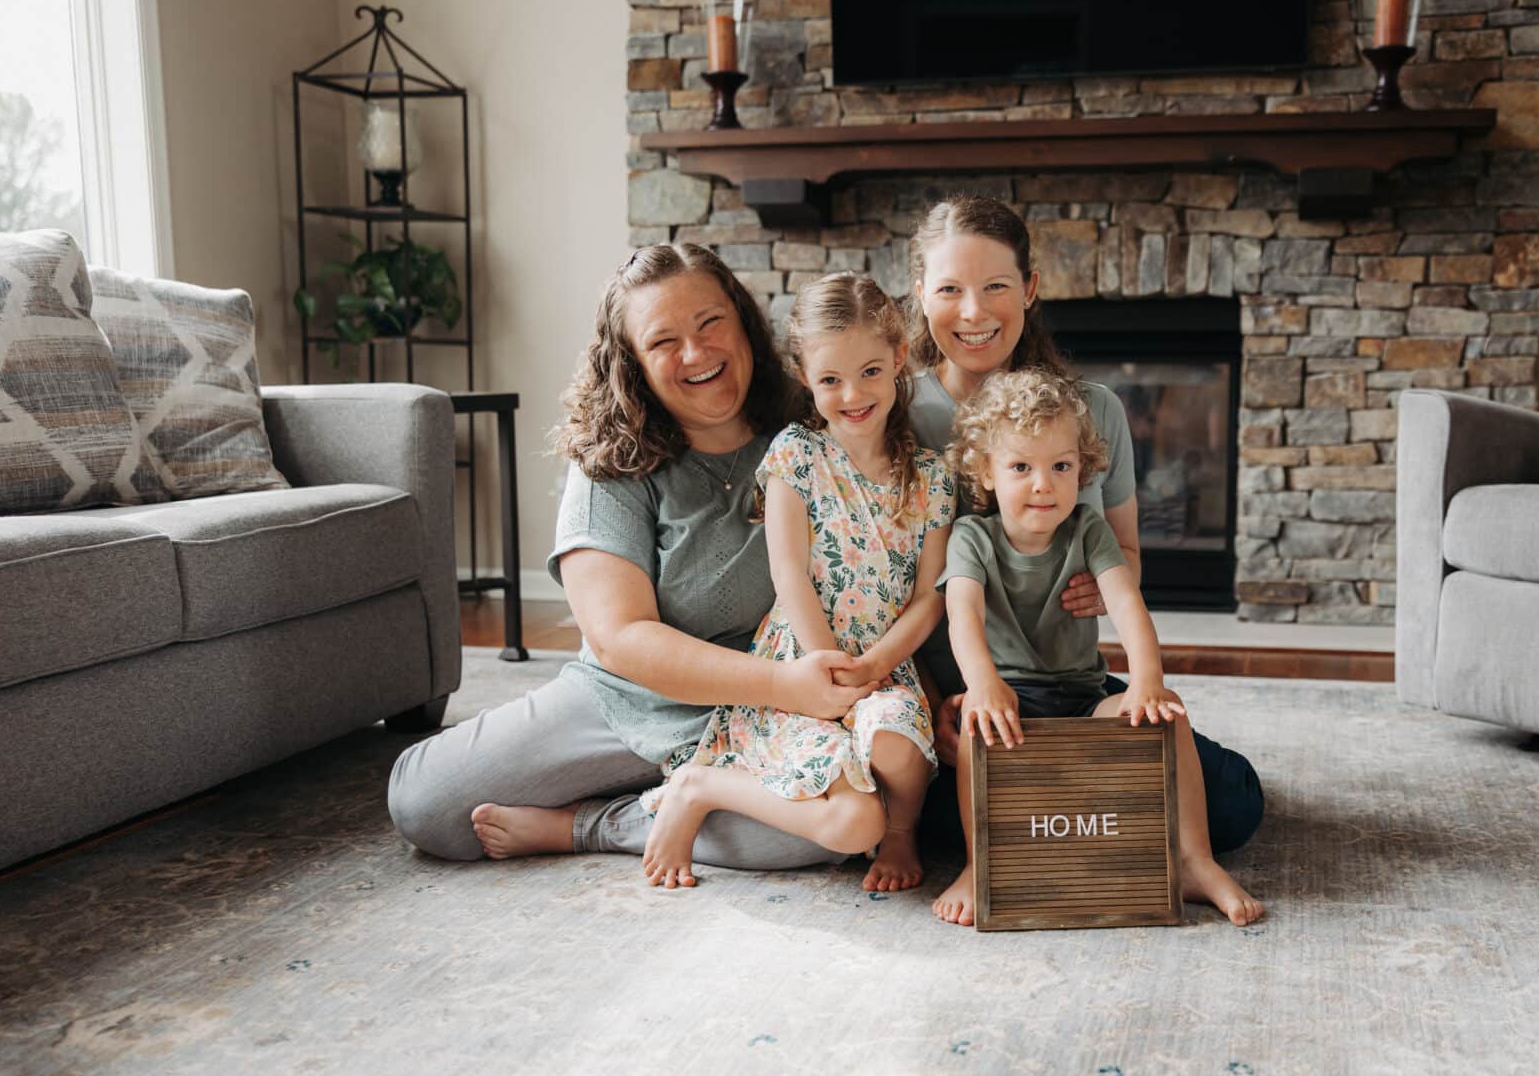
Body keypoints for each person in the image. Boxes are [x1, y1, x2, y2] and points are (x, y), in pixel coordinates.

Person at [385, 244, 875, 877]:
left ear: (744, 320)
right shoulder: (610, 462)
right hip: (630, 699)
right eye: (664, 341)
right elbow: (620, 639)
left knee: (824, 835)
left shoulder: (817, 426)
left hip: (769, 717)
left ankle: (589, 824)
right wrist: (787, 684)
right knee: (425, 804)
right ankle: (640, 799)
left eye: (710, 323)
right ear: (634, 364)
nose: (696, 354)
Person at [901, 194, 1265, 855]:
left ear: (1031, 288)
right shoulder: (891, 411)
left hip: (1066, 681)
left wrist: (1106, 584)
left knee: (1234, 806)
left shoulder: (1093, 410)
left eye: (996, 287)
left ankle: (1069, 802)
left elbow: (1125, 552)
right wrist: (931, 702)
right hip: (955, 693)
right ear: (921, 292)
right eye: (951, 288)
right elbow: (874, 591)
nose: (974, 311)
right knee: (918, 820)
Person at [634, 273, 953, 891]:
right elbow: (789, 574)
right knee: (853, 824)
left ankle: (903, 833)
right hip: (801, 662)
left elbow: (929, 598)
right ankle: (699, 786)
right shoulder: (795, 456)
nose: (853, 394)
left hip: (886, 664)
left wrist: (875, 665)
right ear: (804, 375)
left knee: (895, 745)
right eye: (830, 379)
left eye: (869, 372)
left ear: (898, 358)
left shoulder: (933, 478)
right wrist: (824, 667)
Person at [933, 369, 1263, 928]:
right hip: (1011, 700)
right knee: (973, 729)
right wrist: (984, 684)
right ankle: (979, 864)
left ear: (1081, 469)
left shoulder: (1088, 529)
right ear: (985, 473)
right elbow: (960, 614)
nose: (1044, 484)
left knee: (1169, 714)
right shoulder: (973, 538)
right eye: (1021, 468)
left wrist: (1146, 680)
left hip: (1084, 696)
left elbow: (1127, 604)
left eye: (1061, 467)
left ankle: (1194, 861)